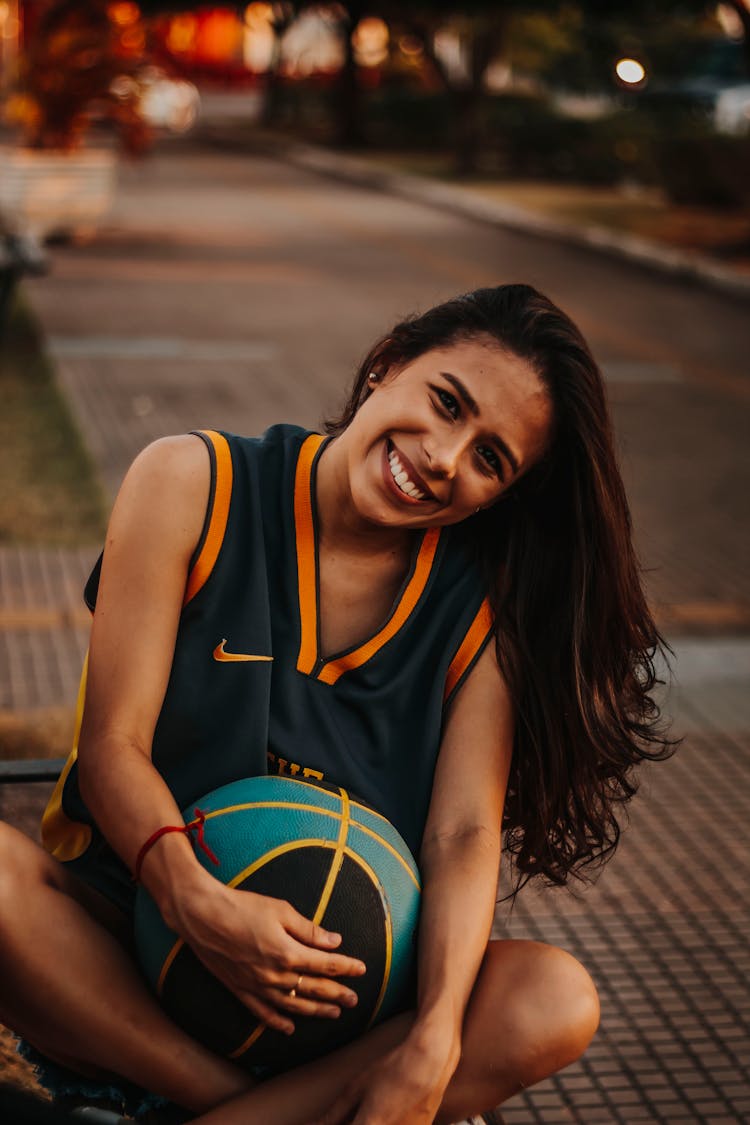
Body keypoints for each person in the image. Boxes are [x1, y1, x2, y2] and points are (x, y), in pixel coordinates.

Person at [0, 285, 671, 1124]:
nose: (443, 457)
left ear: (503, 494)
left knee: (556, 998)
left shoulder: (481, 613)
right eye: (446, 402)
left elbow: (462, 833)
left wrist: (432, 1037)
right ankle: (248, 1110)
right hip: (126, 953)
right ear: (388, 361)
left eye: (489, 458)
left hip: (333, 1009)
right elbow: (112, 745)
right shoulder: (193, 484)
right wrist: (191, 898)